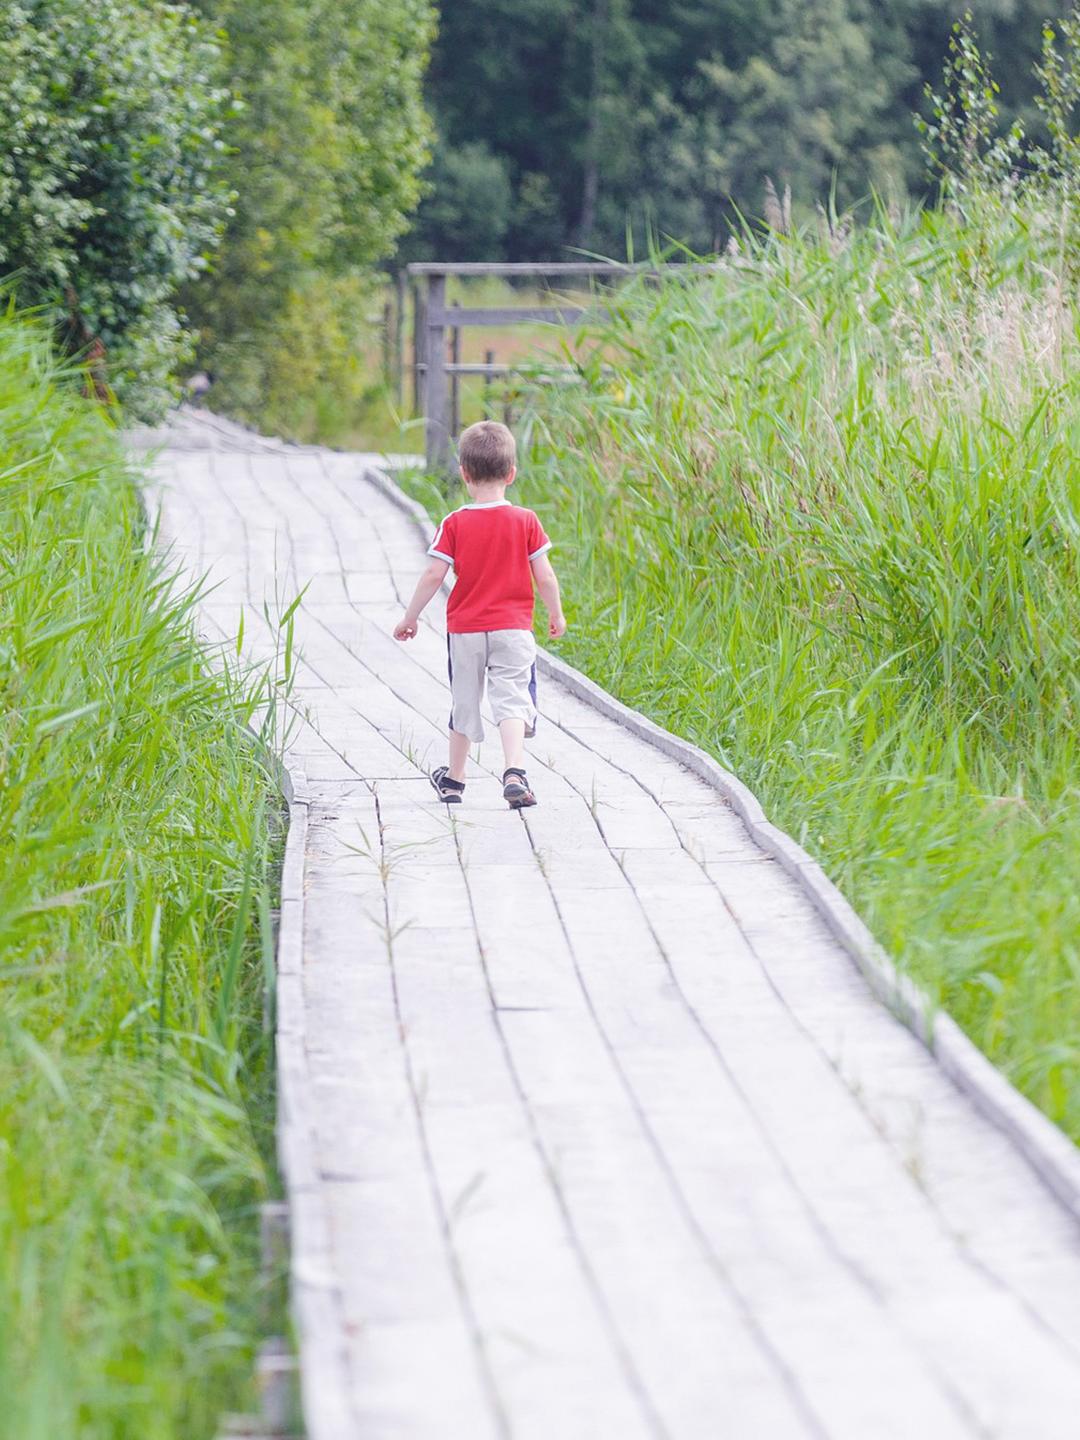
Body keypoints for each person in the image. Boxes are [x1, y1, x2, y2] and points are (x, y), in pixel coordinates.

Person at [393, 420, 567, 809]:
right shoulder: (526, 521)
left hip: (467, 631)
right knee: (512, 698)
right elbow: (546, 574)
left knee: (465, 701)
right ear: (511, 474)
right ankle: (514, 771)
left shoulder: (453, 523)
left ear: (463, 474)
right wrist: (556, 614)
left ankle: (454, 781)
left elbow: (433, 574)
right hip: (514, 629)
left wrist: (411, 617)